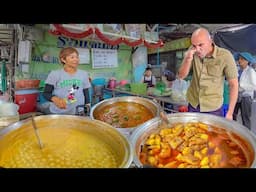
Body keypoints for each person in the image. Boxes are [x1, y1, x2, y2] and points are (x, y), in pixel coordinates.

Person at [178, 28, 238, 120]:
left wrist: (230, 113)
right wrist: (188, 59)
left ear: (210, 41)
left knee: (212, 133)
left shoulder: (225, 56)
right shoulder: (192, 51)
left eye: (200, 45)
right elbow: (181, 76)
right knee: (192, 132)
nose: (197, 49)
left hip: (213, 108)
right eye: (194, 45)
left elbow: (233, 85)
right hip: (194, 104)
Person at [42, 47, 91, 115]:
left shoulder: (84, 74)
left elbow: (85, 92)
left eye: (77, 57)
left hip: (78, 111)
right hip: (59, 112)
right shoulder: (55, 74)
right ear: (63, 59)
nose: (76, 59)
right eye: (72, 57)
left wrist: (87, 106)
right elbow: (46, 93)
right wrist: (55, 99)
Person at [233, 52, 256, 129]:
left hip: (246, 97)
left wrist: (241, 86)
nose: (239, 60)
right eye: (239, 58)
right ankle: (234, 130)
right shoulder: (238, 70)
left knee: (245, 117)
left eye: (242, 59)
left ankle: (247, 134)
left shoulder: (251, 71)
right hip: (237, 96)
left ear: (247, 61)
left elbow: (254, 86)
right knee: (233, 114)